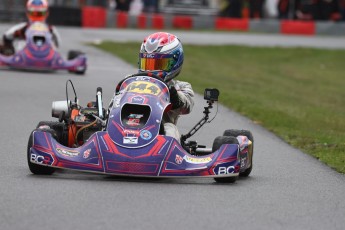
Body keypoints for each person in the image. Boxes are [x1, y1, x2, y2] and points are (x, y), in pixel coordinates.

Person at [110, 32, 194, 142]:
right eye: (148, 63)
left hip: (158, 134)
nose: (151, 70)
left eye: (159, 64)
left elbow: (187, 106)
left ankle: (167, 155)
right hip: (123, 126)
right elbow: (114, 106)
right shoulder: (129, 81)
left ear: (175, 62)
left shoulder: (181, 87)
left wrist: (175, 96)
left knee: (171, 128)